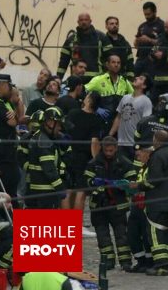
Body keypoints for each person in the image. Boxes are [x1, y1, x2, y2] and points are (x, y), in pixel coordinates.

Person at [85, 136, 136, 272]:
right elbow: (86, 181)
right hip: (99, 205)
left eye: (111, 151)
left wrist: (122, 185)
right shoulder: (94, 163)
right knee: (103, 236)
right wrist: (93, 183)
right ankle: (108, 261)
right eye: (106, 150)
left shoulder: (124, 162)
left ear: (116, 148)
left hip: (117, 205)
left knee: (121, 235)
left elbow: (132, 181)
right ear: (102, 148)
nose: (108, 153)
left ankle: (125, 261)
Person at [139, 130, 168, 276]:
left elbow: (154, 180)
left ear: (156, 141)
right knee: (165, 233)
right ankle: (167, 262)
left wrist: (138, 186)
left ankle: (161, 266)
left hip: (158, 202)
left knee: (155, 233)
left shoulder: (158, 155)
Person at [65, 92, 105, 235]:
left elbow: (66, 130)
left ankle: (66, 224)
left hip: (69, 155)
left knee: (69, 189)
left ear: (88, 100)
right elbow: (94, 142)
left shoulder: (73, 113)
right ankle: (77, 227)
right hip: (83, 158)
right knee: (81, 191)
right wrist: (96, 161)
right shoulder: (95, 120)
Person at [24, 107, 66, 209]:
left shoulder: (38, 137)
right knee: (48, 224)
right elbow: (49, 169)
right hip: (46, 192)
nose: (59, 128)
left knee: (34, 223)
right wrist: (60, 187)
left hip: (34, 189)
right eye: (59, 124)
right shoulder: (45, 143)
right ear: (51, 123)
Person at [109, 74, 153, 160]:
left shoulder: (146, 101)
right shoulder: (125, 98)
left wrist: (141, 145)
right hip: (121, 143)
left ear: (144, 85)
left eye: (140, 78)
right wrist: (110, 136)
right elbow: (118, 117)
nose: (136, 78)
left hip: (135, 144)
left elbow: (146, 124)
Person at [56, 13, 111, 81]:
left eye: (86, 20)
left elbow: (110, 58)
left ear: (90, 21)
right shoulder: (71, 40)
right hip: (77, 79)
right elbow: (63, 62)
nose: (84, 22)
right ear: (78, 22)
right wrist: (58, 79)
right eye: (81, 20)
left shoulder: (101, 37)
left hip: (97, 80)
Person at [85, 54, 134, 125]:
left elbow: (135, 97)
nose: (116, 65)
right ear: (107, 64)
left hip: (119, 123)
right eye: (113, 62)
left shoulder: (124, 81)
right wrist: (95, 108)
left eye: (118, 63)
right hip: (101, 122)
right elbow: (83, 92)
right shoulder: (98, 79)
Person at [127, 140, 153, 273]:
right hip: (136, 205)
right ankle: (140, 260)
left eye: (139, 155)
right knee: (132, 233)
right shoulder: (141, 168)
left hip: (146, 206)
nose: (137, 158)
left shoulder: (152, 167)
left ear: (147, 153)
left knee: (146, 234)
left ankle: (149, 262)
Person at [0, 74, 20, 198]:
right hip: (1, 158)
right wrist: (14, 118)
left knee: (10, 195)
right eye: (9, 86)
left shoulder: (4, 102)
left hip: (7, 155)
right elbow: (12, 122)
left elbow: (17, 119)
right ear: (3, 85)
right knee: (6, 196)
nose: (10, 89)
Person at [134, 1, 165, 76]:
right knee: (134, 78)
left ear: (155, 12)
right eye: (145, 14)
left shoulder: (162, 25)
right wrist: (137, 41)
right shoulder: (142, 26)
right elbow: (135, 45)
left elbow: (164, 43)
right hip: (141, 59)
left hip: (154, 60)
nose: (147, 17)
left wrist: (149, 40)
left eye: (149, 14)